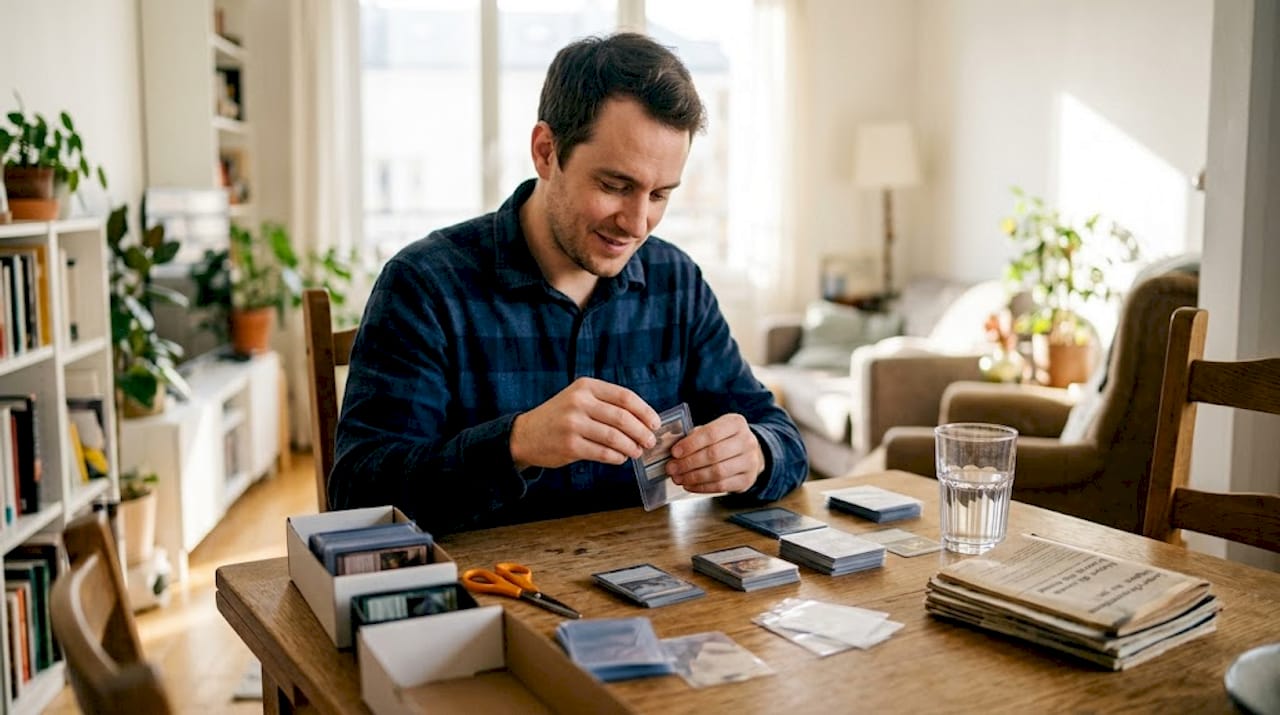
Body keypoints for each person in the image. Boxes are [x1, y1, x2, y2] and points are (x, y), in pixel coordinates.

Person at [330, 32, 807, 534]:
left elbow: (783, 438)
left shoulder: (677, 283)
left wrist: (756, 454)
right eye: (615, 186)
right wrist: (517, 443)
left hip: (649, 574)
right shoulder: (425, 286)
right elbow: (357, 496)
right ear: (545, 152)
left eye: (660, 195)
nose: (637, 224)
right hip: (479, 581)